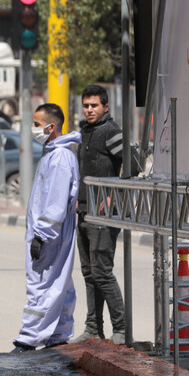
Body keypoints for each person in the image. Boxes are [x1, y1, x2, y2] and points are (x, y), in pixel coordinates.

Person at [12, 103, 82, 352]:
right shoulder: (54, 153)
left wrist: (42, 236)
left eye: (36, 124)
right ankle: (59, 334)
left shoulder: (60, 157)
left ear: (51, 127)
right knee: (59, 282)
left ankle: (28, 338)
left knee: (40, 284)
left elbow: (55, 201)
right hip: (52, 234)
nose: (33, 129)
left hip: (50, 236)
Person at [71, 84, 126, 345]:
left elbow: (132, 166)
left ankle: (121, 330)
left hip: (104, 216)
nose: (89, 110)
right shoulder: (85, 132)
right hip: (83, 212)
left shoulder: (111, 131)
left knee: (102, 271)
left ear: (105, 107)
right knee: (89, 273)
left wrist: (111, 194)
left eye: (94, 105)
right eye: (86, 105)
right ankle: (93, 328)